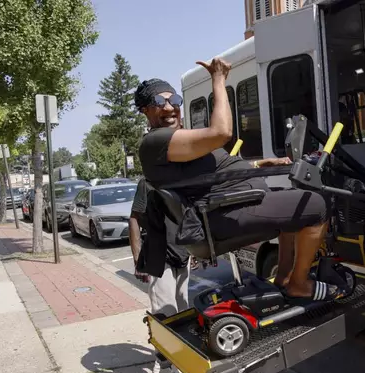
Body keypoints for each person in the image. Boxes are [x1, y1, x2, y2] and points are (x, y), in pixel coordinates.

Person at [134, 58, 344, 302]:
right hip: (224, 212)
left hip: (229, 206)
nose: (170, 107)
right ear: (145, 110)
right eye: (160, 101)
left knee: (293, 206)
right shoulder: (154, 141)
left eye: (175, 100)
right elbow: (222, 133)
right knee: (317, 205)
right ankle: (299, 283)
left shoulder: (173, 141)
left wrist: (261, 164)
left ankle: (286, 277)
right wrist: (219, 79)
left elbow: (207, 172)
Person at [129, 178, 195, 373]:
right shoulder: (148, 182)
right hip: (159, 258)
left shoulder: (185, 176)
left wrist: (201, 251)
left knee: (183, 312)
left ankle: (178, 362)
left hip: (184, 254)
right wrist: (138, 258)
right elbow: (134, 218)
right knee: (166, 315)